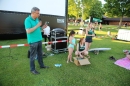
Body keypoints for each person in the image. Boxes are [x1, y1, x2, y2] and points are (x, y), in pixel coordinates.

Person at [24, 7, 48, 75]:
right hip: (33, 41)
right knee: (33, 56)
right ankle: (32, 69)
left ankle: (42, 65)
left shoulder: (37, 19)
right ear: (33, 13)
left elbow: (38, 29)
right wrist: (37, 25)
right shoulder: (27, 20)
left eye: (39, 13)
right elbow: (28, 31)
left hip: (39, 39)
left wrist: (42, 27)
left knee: (40, 54)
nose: (39, 14)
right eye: (37, 13)